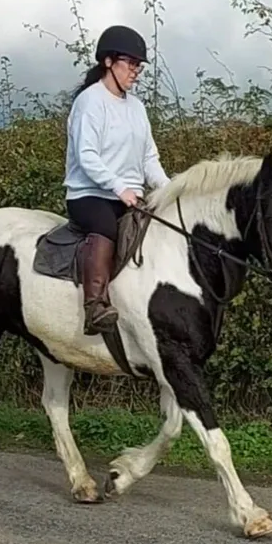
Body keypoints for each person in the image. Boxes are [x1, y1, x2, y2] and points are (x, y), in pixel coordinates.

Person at [64, 25, 169, 335]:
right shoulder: (89, 102)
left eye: (139, 66)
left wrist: (169, 189)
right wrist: (119, 187)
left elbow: (149, 158)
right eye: (131, 63)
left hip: (130, 195)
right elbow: (87, 156)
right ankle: (94, 306)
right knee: (107, 227)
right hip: (89, 195)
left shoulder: (137, 108)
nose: (135, 71)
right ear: (109, 62)